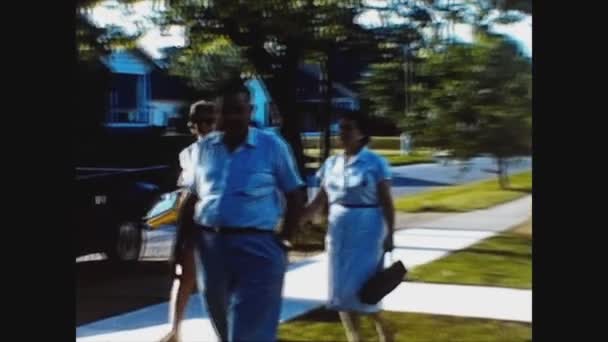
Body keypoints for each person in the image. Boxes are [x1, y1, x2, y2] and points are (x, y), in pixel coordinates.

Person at [177, 80, 305, 341]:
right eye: (224, 111)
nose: (231, 117)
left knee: (250, 331)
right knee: (223, 325)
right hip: (211, 247)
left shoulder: (272, 146)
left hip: (258, 247)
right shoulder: (204, 149)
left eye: (237, 109)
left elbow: (295, 194)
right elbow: (190, 198)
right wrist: (180, 245)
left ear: (250, 110)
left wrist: (286, 237)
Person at [300, 111, 396, 342]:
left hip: (367, 232)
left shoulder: (375, 163)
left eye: (348, 128)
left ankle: (384, 327)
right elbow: (319, 201)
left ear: (361, 133)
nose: (341, 133)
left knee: (365, 290)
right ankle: (355, 338)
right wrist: (296, 222)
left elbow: (386, 202)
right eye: (340, 128)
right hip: (338, 231)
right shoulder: (331, 164)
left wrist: (390, 234)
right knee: (341, 291)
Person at [160, 100, 217, 342]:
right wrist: (180, 236)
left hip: (219, 221)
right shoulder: (188, 154)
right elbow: (186, 193)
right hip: (193, 221)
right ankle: (175, 329)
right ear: (192, 126)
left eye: (209, 121)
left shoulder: (226, 150)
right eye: (199, 122)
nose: (205, 127)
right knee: (184, 276)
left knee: (219, 281)